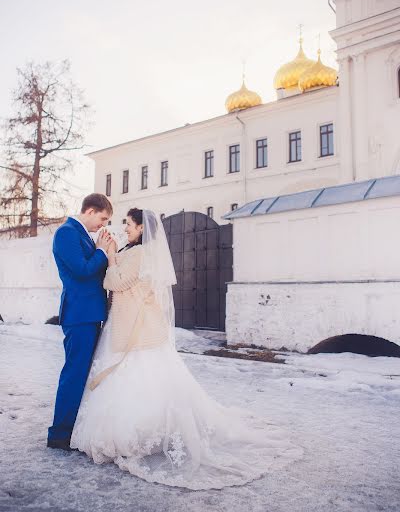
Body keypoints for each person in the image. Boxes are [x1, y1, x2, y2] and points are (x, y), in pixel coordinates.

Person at [70, 208, 303, 490]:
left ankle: (141, 434)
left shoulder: (140, 253)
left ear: (143, 228)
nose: (125, 228)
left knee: (139, 379)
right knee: (147, 380)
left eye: (129, 224)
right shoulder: (135, 251)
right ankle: (149, 430)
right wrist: (112, 253)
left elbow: (115, 281)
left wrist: (107, 256)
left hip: (136, 329)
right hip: (132, 325)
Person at [47, 193, 113, 450]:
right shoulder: (67, 232)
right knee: (74, 374)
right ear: (90, 210)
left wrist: (107, 252)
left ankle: (74, 430)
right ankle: (59, 435)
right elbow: (82, 270)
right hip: (79, 314)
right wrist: (101, 251)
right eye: (103, 218)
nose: (103, 224)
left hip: (90, 313)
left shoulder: (83, 234)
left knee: (84, 374)